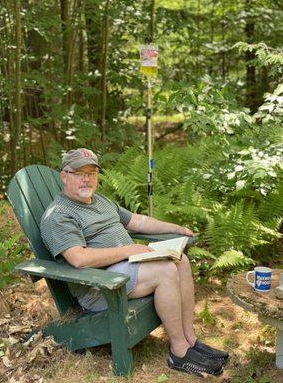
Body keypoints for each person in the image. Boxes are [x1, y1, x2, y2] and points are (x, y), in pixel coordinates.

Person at [41, 148, 229, 377]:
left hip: (125, 271)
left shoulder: (100, 201)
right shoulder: (59, 214)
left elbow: (137, 221)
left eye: (91, 173)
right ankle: (179, 352)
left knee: (182, 260)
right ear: (64, 175)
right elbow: (79, 258)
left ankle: (190, 340)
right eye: (79, 173)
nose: (86, 179)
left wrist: (175, 229)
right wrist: (127, 250)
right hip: (100, 286)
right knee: (166, 271)